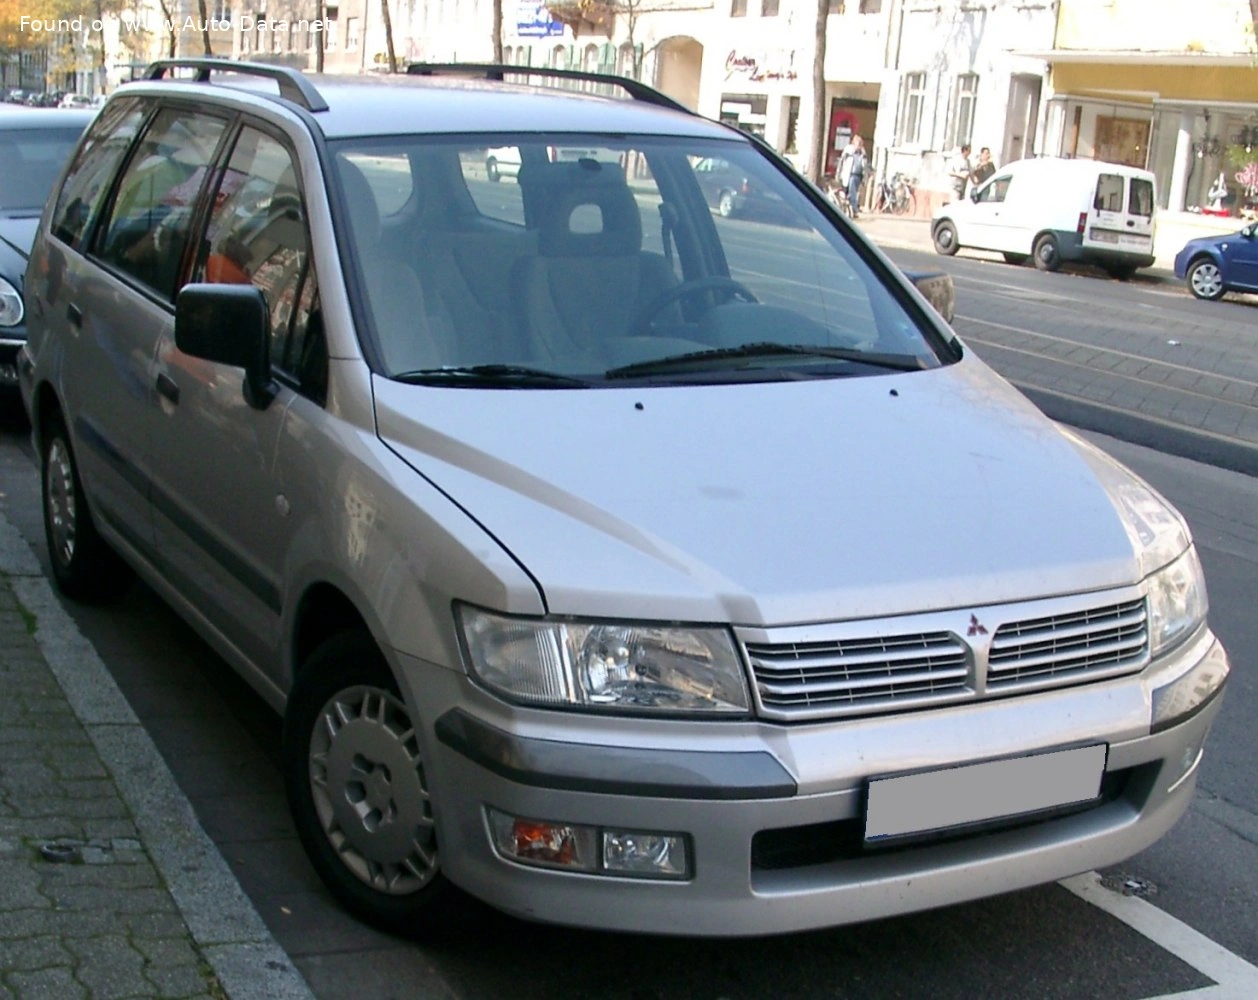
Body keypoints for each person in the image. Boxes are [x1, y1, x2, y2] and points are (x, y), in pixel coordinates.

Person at [838, 134, 867, 217]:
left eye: (861, 145)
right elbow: (842, 163)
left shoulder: (862, 153)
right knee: (851, 191)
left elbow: (864, 166)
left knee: (853, 192)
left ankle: (852, 208)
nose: (859, 147)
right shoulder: (848, 151)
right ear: (854, 144)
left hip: (858, 176)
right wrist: (839, 173)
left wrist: (864, 178)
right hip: (849, 175)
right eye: (858, 144)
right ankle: (854, 209)